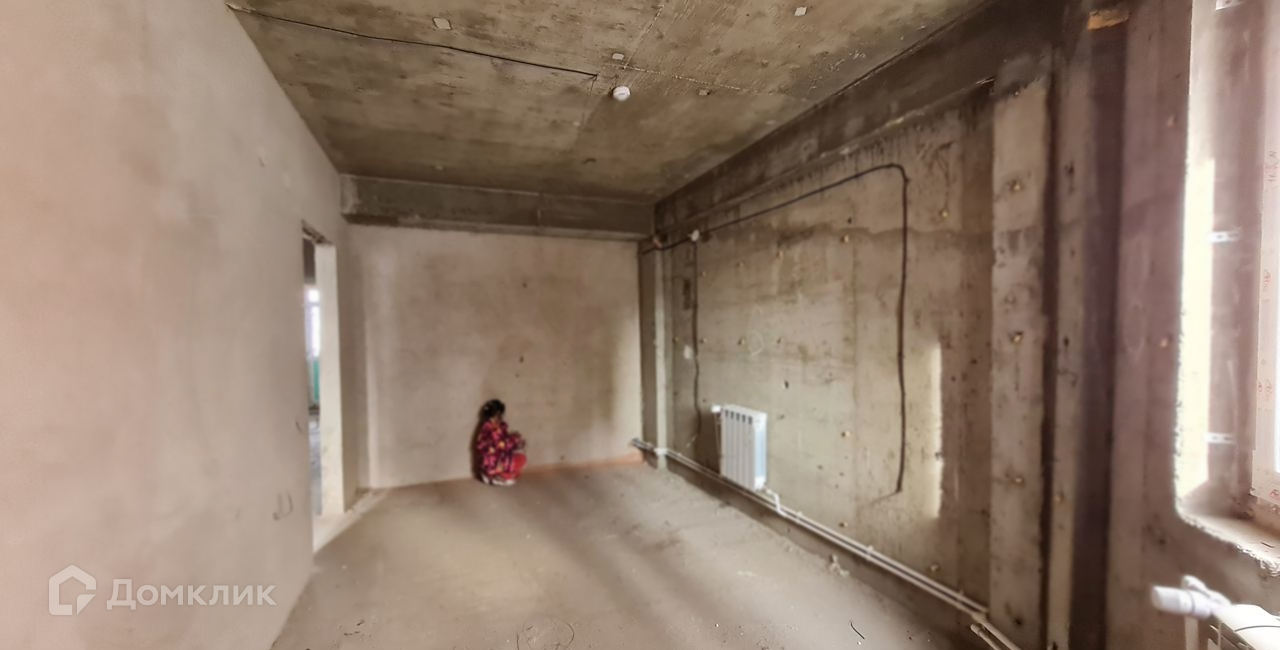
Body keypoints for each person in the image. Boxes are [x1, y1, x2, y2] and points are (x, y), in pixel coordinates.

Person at [474, 399, 526, 486]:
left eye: (498, 416)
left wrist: (512, 440)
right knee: (495, 463)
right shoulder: (486, 427)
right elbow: (480, 444)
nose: (496, 419)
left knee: (520, 458)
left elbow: (504, 439)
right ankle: (492, 476)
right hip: (492, 457)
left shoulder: (502, 425)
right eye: (494, 416)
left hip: (503, 453)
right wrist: (491, 447)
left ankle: (503, 475)